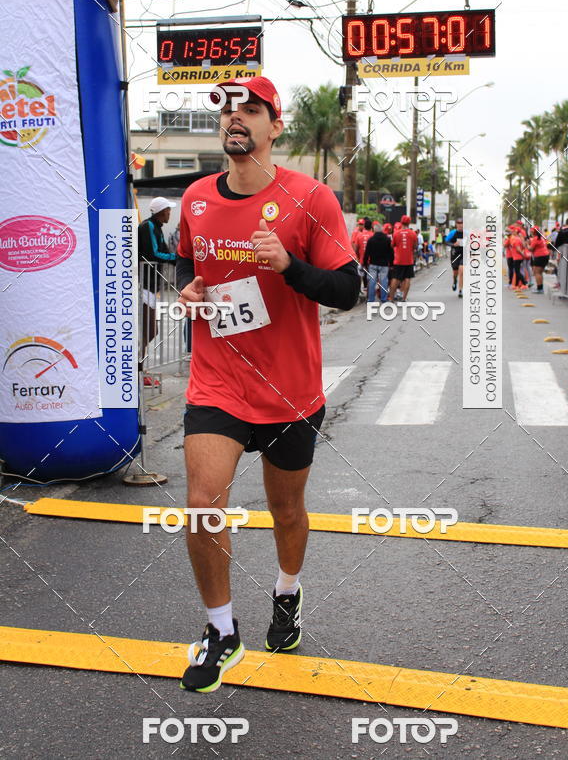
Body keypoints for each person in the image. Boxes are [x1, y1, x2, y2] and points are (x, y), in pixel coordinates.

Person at [175, 76, 360, 693]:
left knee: (286, 510)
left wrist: (289, 266)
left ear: (275, 127)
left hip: (290, 391)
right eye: (227, 108)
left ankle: (287, 589)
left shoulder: (311, 199)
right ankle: (221, 629)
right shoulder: (196, 197)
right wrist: (189, 290)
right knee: (203, 506)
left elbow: (348, 290)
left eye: (251, 108)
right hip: (217, 382)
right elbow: (187, 262)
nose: (236, 117)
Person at [138, 196, 177, 385]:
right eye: (168, 209)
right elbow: (153, 253)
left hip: (152, 286)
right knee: (149, 330)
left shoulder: (157, 227)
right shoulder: (148, 227)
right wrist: (175, 258)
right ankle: (138, 370)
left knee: (149, 330)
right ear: (161, 211)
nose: (170, 213)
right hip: (143, 285)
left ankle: (140, 369)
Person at [388, 215, 418, 302]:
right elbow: (415, 246)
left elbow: (392, 245)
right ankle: (404, 298)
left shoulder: (396, 233)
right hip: (409, 260)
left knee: (395, 278)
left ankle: (391, 298)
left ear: (401, 222)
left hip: (398, 260)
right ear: (409, 223)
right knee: (407, 278)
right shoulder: (413, 233)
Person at [363, 220, 393, 303]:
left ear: (374, 230)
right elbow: (391, 252)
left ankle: (370, 300)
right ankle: (384, 299)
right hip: (384, 264)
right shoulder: (387, 239)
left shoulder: (371, 240)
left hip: (373, 264)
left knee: (372, 282)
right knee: (384, 282)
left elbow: (367, 253)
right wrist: (391, 264)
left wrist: (365, 263)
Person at [354, 217, 374, 294]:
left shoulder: (359, 236)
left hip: (362, 261)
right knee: (370, 278)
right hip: (371, 261)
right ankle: (369, 295)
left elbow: (356, 249)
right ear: (371, 226)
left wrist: (358, 258)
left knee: (360, 276)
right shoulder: (373, 235)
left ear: (364, 226)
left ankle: (359, 291)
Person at [445, 219, 465, 297]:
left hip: (463, 255)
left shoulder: (466, 233)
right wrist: (453, 244)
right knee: (455, 273)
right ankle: (454, 281)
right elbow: (446, 241)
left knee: (462, 271)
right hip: (455, 255)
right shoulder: (453, 233)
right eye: (459, 223)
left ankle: (460, 290)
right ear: (456, 224)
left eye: (462, 223)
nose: (460, 225)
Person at [529, 225, 550, 293]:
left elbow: (531, 249)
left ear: (533, 232)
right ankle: (540, 288)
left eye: (531, 230)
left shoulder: (535, 238)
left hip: (540, 256)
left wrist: (526, 245)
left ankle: (539, 288)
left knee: (537, 272)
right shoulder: (541, 237)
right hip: (545, 255)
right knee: (539, 273)